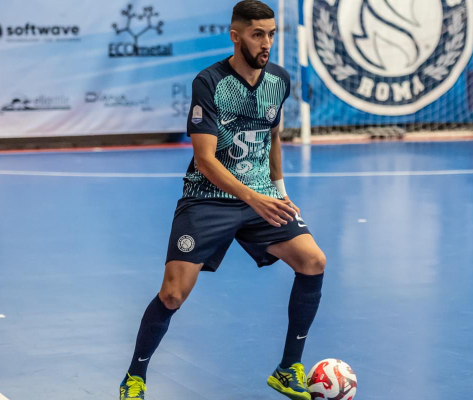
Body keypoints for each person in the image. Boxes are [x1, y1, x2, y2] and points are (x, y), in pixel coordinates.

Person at [119, 1, 325, 399]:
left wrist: (279, 192)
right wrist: (255, 198)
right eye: (257, 34)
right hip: (208, 198)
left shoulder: (279, 80)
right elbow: (205, 160)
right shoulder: (209, 82)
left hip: (261, 196)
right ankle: (134, 377)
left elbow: (272, 136)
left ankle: (287, 368)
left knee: (313, 260)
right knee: (173, 294)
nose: (266, 43)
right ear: (235, 36)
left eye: (271, 34)